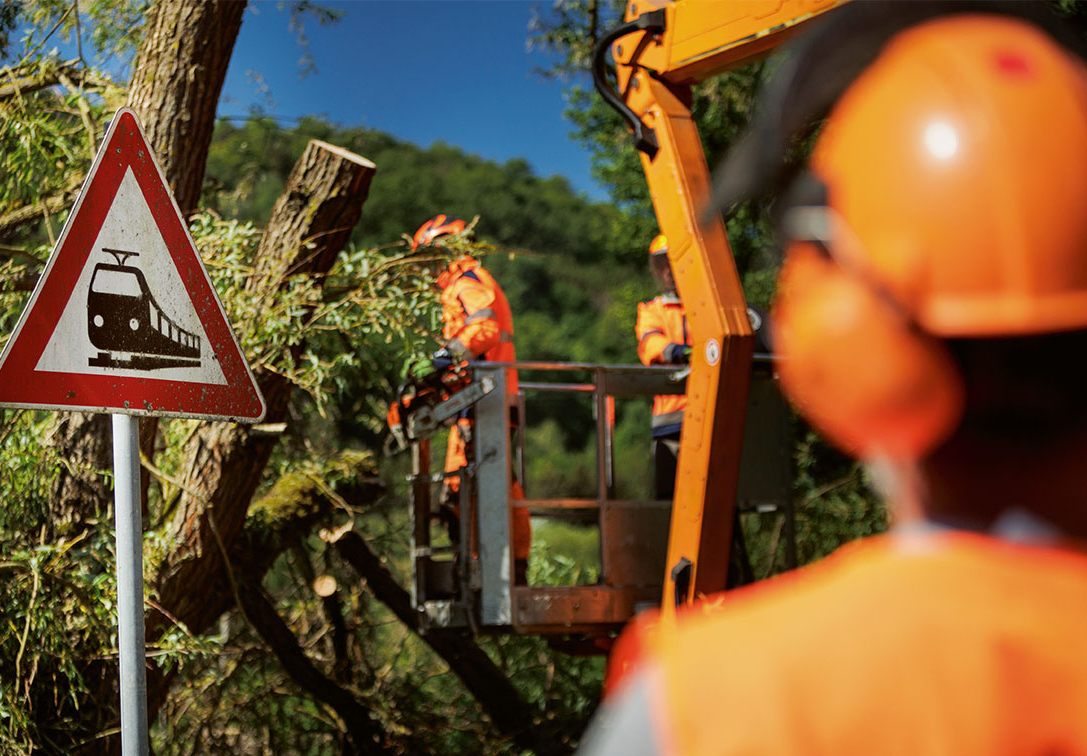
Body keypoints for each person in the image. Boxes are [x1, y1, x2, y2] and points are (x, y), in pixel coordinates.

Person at [583, 7, 1087, 754]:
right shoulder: (657, 308)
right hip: (673, 422)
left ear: (845, 339)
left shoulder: (706, 704)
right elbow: (660, 352)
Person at [409, 214, 531, 582]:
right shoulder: (460, 284)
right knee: (465, 486)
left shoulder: (467, 281)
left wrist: (444, 357)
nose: (426, 271)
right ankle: (485, 565)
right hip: (475, 402)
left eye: (428, 259)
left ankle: (497, 569)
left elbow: (485, 327)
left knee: (480, 486)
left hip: (486, 401)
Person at [635, 235, 693, 500]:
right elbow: (650, 343)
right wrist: (676, 351)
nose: (667, 273)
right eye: (661, 266)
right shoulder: (652, 310)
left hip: (711, 415)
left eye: (672, 264)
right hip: (669, 421)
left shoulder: (705, 308)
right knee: (670, 502)